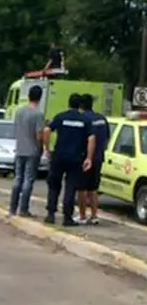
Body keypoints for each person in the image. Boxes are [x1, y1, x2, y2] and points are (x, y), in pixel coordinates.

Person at [43, 93, 95, 226]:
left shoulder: (61, 117)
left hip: (59, 156)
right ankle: (67, 217)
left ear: (69, 103)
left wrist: (46, 148)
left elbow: (47, 130)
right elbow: (91, 138)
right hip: (76, 158)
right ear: (80, 106)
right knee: (70, 188)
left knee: (54, 186)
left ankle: (50, 214)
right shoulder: (84, 121)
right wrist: (89, 158)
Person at [8, 84, 45, 217]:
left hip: (19, 149)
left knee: (18, 178)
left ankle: (12, 208)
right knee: (28, 180)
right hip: (32, 150)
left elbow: (15, 129)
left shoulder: (19, 111)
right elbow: (39, 134)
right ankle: (23, 209)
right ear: (40, 97)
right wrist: (42, 147)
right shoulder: (38, 114)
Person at [77, 93, 110, 224]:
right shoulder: (102, 118)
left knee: (81, 188)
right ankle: (94, 216)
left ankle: (82, 216)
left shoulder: (83, 119)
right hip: (99, 157)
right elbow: (107, 138)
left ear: (81, 106)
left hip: (85, 158)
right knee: (93, 188)